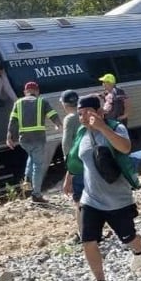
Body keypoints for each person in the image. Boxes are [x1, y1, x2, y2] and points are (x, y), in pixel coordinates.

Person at [63, 95, 141, 281]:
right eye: (79, 113)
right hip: (90, 199)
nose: (82, 117)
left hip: (118, 199)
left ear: (99, 112)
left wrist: (102, 127)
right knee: (87, 240)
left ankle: (139, 251)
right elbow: (76, 158)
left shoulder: (115, 127)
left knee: (129, 238)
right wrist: (69, 178)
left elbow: (125, 148)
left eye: (86, 113)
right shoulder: (81, 133)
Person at [7, 81, 61, 203]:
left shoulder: (18, 103)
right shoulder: (42, 101)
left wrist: (9, 137)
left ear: (25, 92)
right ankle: (36, 194)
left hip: (24, 140)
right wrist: (58, 124)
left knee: (31, 157)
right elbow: (52, 114)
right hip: (38, 138)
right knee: (38, 166)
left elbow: (13, 121)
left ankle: (27, 179)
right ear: (37, 91)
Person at [60, 89, 83, 239]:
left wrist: (68, 168)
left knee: (79, 201)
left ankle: (84, 233)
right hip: (90, 160)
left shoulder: (70, 118)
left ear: (64, 104)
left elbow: (67, 144)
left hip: (77, 163)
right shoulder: (84, 114)